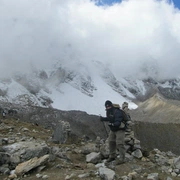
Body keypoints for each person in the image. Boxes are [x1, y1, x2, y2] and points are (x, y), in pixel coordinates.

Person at [100, 100, 126, 165]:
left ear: (111, 105)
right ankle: (112, 156)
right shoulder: (109, 112)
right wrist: (103, 119)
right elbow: (110, 118)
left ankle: (122, 159)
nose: (107, 107)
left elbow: (118, 121)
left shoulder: (117, 112)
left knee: (120, 143)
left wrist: (113, 124)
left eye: (108, 106)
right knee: (111, 141)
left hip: (120, 129)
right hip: (113, 129)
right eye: (106, 107)